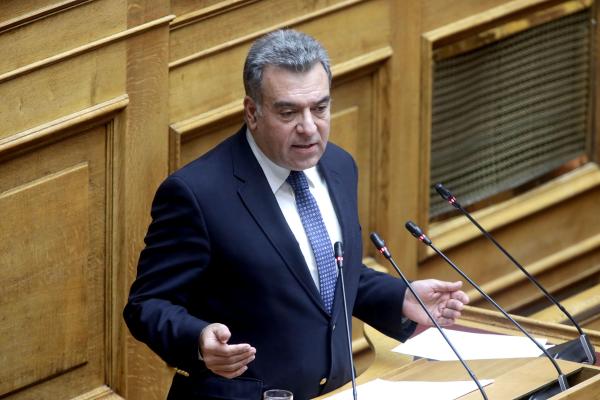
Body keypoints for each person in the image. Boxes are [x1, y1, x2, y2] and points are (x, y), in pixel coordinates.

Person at [123, 29, 469, 400]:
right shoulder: (196, 194)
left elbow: (324, 276)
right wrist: (198, 339)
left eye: (320, 108)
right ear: (252, 112)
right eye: (288, 112)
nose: (308, 127)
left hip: (335, 392)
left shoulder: (339, 166)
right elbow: (147, 305)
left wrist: (401, 297)